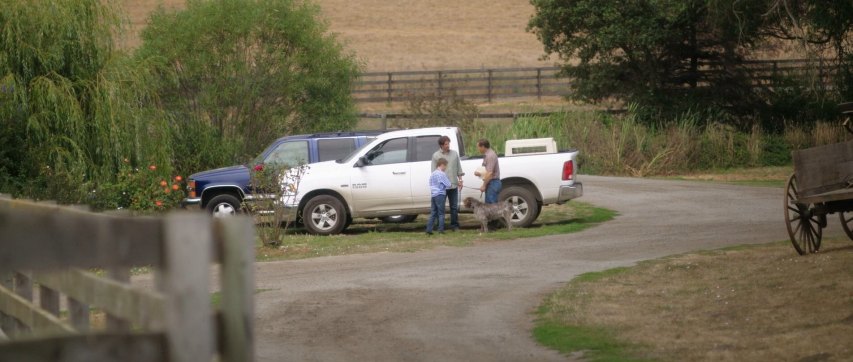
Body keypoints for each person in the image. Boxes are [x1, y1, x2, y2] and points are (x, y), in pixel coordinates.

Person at [431, 135, 464, 231]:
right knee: (440, 207)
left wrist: (460, 180)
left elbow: (459, 168)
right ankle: (440, 226)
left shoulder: (454, 154)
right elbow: (434, 172)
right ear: (441, 145)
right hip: (441, 187)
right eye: (446, 144)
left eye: (448, 143)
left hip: (453, 185)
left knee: (454, 207)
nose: (448, 145)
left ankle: (455, 225)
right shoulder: (436, 156)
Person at [427, 158, 452, 235]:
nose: (445, 168)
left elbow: (430, 183)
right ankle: (441, 230)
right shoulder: (442, 174)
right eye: (445, 166)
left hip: (434, 194)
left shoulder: (433, 173)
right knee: (441, 213)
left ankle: (429, 230)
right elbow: (448, 184)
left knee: (433, 212)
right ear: (442, 165)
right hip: (440, 194)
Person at [474, 138, 501, 204]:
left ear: (483, 146)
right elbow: (487, 170)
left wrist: (484, 185)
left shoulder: (490, 156)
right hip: (491, 183)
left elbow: (489, 173)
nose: (478, 149)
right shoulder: (487, 155)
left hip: (493, 183)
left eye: (478, 147)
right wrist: (480, 173)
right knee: (489, 206)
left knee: (492, 207)